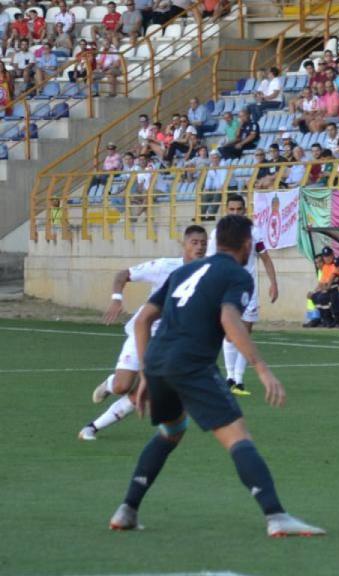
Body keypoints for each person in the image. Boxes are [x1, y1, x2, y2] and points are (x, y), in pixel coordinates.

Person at [108, 215, 324, 538]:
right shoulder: (237, 275)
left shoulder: (183, 271)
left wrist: (147, 373)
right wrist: (262, 369)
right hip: (191, 364)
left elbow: (142, 322)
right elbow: (230, 319)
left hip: (157, 360)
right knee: (238, 437)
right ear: (247, 244)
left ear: (215, 241)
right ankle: (276, 516)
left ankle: (127, 509)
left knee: (172, 430)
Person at [79, 226, 208, 441]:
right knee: (122, 386)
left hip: (169, 343)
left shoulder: (207, 273)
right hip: (143, 332)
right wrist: (116, 299)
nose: (200, 246)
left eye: (203, 243)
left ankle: (91, 428)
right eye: (194, 242)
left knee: (148, 391)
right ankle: (111, 383)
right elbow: (123, 275)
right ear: (183, 245)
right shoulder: (164, 266)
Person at [206, 194, 279, 395]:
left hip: (250, 289)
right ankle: (231, 377)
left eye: (239, 209)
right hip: (227, 288)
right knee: (231, 332)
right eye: (232, 209)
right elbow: (209, 262)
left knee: (245, 332)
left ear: (245, 210)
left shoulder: (254, 232)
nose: (236, 212)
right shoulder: (217, 233)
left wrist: (274, 282)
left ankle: (238, 381)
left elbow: (265, 257)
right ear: (227, 209)